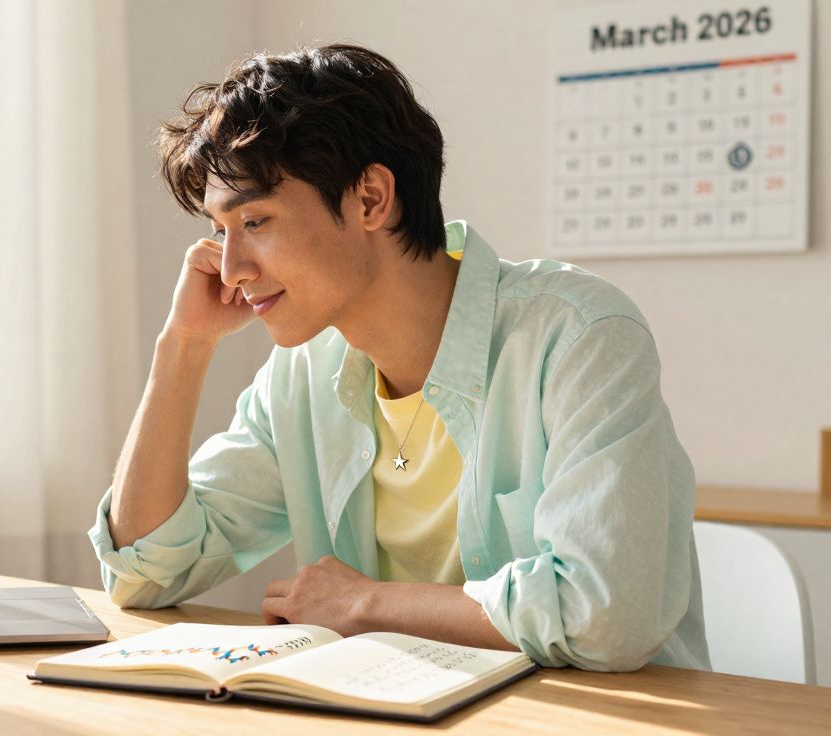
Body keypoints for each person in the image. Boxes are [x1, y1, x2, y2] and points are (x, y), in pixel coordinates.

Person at [87, 43, 710, 672]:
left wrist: (365, 604)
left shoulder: (577, 335)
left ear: (370, 199)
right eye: (219, 231)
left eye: (255, 221)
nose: (230, 270)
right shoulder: (304, 373)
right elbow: (147, 571)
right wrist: (183, 346)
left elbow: (603, 614)